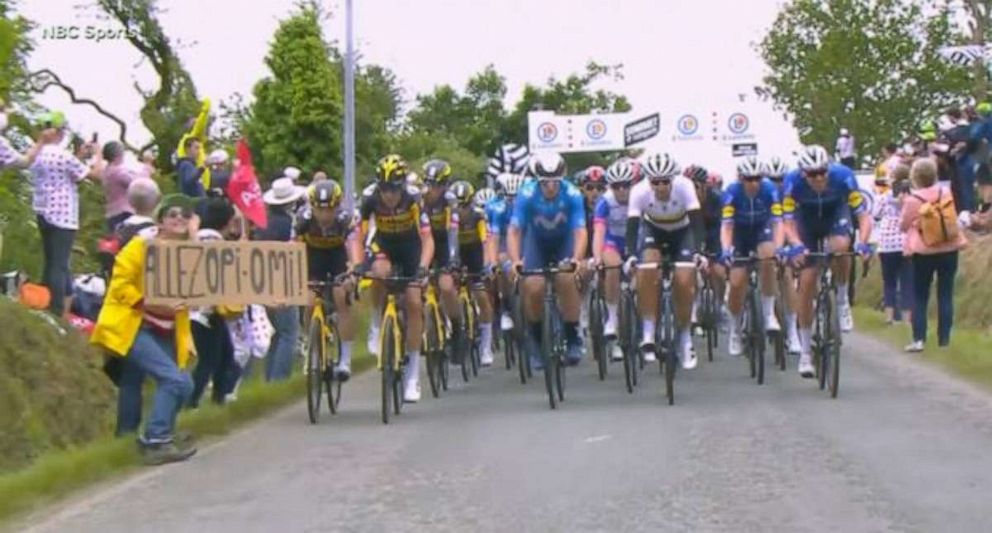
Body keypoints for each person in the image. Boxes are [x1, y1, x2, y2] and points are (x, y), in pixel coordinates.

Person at [90, 193, 198, 465]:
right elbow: (120, 283)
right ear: (160, 220)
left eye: (185, 215)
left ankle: (160, 434)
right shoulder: (141, 246)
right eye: (173, 214)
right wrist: (145, 302)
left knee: (184, 383)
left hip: (167, 327)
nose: (179, 219)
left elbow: (211, 279)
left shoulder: (188, 251)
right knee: (172, 380)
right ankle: (157, 440)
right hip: (136, 324)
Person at [783, 145, 873, 378]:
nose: (819, 178)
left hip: (836, 214)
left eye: (823, 172)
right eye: (813, 174)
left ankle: (842, 298)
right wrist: (795, 244)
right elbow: (788, 222)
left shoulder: (844, 177)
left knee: (842, 248)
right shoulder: (792, 183)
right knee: (807, 283)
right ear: (803, 174)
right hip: (807, 223)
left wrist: (863, 242)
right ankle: (804, 352)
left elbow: (863, 215)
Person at [357, 155, 434, 402]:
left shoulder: (413, 198)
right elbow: (358, 235)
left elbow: (427, 239)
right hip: (384, 245)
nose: (389, 195)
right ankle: (377, 322)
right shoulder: (370, 198)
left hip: (411, 248)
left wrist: (423, 266)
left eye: (394, 189)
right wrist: (359, 263)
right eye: (385, 189)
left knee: (413, 302)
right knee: (379, 273)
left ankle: (412, 376)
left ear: (402, 186)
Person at [508, 152, 586, 369]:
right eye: (545, 182)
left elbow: (580, 231)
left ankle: (572, 335)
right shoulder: (526, 193)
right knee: (533, 286)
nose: (551, 187)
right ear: (537, 180)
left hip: (564, 241)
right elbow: (514, 231)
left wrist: (577, 259)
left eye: (555, 182)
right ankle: (535, 338)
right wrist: (516, 260)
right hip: (537, 243)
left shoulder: (572, 193)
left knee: (566, 278)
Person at [625, 152, 704, 369]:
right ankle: (649, 332)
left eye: (664, 182)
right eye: (655, 182)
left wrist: (699, 251)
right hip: (654, 231)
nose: (660, 187)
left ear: (672, 179)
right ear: (648, 181)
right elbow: (632, 227)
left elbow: (697, 222)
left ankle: (686, 338)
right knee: (647, 269)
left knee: (684, 280)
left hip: (683, 232)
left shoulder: (685, 186)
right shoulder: (639, 191)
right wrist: (631, 255)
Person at [30, 110, 103, 316]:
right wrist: (97, 153)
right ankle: (56, 310)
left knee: (51, 261)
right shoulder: (62, 155)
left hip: (43, 211)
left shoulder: (36, 154)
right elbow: (96, 175)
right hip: (63, 216)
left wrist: (80, 155)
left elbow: (66, 172)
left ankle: (42, 303)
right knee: (59, 265)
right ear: (58, 132)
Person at [900, 158, 968, 352]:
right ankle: (944, 340)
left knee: (920, 295)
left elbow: (903, 225)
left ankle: (919, 339)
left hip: (924, 250)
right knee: (945, 294)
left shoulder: (913, 200)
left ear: (915, 177)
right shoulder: (945, 193)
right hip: (949, 248)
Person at [720, 156, 785, 357]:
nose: (753, 183)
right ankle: (736, 329)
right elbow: (727, 226)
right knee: (737, 283)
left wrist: (780, 248)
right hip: (739, 234)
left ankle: (767, 314)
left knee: (768, 255)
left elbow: (777, 223)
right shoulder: (732, 192)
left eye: (757, 178)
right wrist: (726, 249)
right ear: (741, 179)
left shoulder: (769, 190)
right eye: (749, 179)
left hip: (761, 230)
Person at [298, 179, 362, 378]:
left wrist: (353, 270)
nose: (324, 215)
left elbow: (354, 247)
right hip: (313, 258)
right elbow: (292, 249)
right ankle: (312, 347)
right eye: (319, 209)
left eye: (329, 209)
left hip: (337, 258)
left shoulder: (345, 219)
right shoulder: (303, 218)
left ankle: (345, 360)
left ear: (337, 206)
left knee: (340, 296)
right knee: (308, 303)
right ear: (312, 206)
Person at [188, 197, 243, 407]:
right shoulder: (214, 241)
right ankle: (191, 403)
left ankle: (217, 400)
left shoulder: (199, 237)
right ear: (227, 221)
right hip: (205, 312)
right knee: (209, 361)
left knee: (224, 357)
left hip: (204, 311)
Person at [255, 176, 307, 381]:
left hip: (263, 280)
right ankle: (279, 379)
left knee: (277, 332)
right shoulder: (289, 224)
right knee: (288, 333)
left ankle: (269, 378)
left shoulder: (263, 223)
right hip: (283, 279)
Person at [591, 159, 637, 362]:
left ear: (632, 184)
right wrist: (597, 257)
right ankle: (612, 318)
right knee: (612, 266)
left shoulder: (640, 197)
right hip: (613, 242)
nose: (621, 191)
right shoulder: (605, 202)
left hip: (636, 242)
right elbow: (599, 233)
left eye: (625, 185)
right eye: (616, 186)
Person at [448, 180, 496, 366]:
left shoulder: (478, 216)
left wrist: (487, 265)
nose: (461, 210)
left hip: (475, 253)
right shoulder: (448, 216)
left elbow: (486, 241)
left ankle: (485, 346)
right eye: (457, 205)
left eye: (465, 205)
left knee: (482, 296)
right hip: (456, 254)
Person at [418, 160, 461, 360]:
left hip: (444, 244)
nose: (433, 189)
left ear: (445, 185)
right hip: (423, 243)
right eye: (429, 183)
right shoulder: (418, 199)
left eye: (438, 185)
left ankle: (457, 328)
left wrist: (452, 259)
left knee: (446, 286)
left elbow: (453, 231)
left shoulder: (450, 201)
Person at [766, 156, 801, 354]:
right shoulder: (762, 195)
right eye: (772, 179)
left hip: (786, 237)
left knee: (787, 276)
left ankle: (792, 331)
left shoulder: (791, 196)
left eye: (780, 179)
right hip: (764, 236)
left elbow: (793, 223)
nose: (776, 184)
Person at [486, 172, 524, 334]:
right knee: (502, 264)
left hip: (526, 241)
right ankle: (506, 308)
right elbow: (494, 239)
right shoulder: (499, 210)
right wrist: (493, 262)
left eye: (517, 197)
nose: (514, 201)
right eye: (510, 198)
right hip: (505, 242)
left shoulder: (531, 207)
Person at [876, 165, 913, 325]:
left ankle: (889, 316)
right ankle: (907, 318)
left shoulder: (885, 197)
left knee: (889, 281)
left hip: (887, 242)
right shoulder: (911, 197)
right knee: (907, 281)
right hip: (905, 241)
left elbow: (876, 214)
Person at [99, 141, 150, 232]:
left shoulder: (108, 170)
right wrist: (147, 165)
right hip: (123, 213)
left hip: (113, 213)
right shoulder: (117, 172)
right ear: (119, 154)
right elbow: (139, 183)